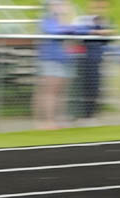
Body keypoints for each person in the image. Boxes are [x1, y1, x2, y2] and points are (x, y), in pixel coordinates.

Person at [33, 0, 77, 130]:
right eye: (59, 4)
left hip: (65, 60)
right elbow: (56, 31)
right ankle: (46, 121)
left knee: (60, 92)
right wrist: (67, 27)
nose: (63, 7)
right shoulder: (46, 20)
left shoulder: (67, 20)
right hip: (50, 60)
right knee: (49, 92)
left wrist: (68, 23)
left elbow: (76, 30)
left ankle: (58, 118)